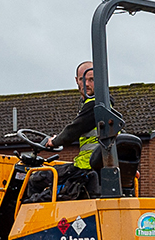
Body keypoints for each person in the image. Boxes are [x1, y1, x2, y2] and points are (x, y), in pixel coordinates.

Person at [51, 61, 126, 198]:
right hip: (94, 168)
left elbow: (73, 131)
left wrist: (53, 142)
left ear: (100, 81)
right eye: (82, 79)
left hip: (88, 168)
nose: (86, 84)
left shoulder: (96, 104)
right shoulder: (108, 109)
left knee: (37, 178)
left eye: (91, 79)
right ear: (76, 80)